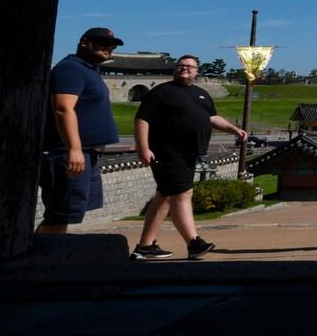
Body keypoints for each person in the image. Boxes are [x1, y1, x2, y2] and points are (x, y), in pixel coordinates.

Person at [130, 55, 247, 260]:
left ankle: (145, 246)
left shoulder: (201, 94)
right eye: (181, 65)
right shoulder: (161, 92)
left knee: (165, 196)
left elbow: (212, 117)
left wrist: (234, 129)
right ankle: (194, 242)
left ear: (196, 72)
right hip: (168, 151)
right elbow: (142, 119)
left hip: (190, 152)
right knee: (183, 194)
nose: (185, 68)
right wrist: (143, 147)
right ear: (175, 69)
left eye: (190, 66)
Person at [37, 28, 124, 234]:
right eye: (102, 43)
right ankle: (47, 261)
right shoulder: (71, 69)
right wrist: (73, 149)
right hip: (68, 152)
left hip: (88, 151)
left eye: (111, 45)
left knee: (67, 212)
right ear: (85, 42)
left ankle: (47, 255)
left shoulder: (88, 69)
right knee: (61, 213)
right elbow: (63, 108)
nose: (108, 48)